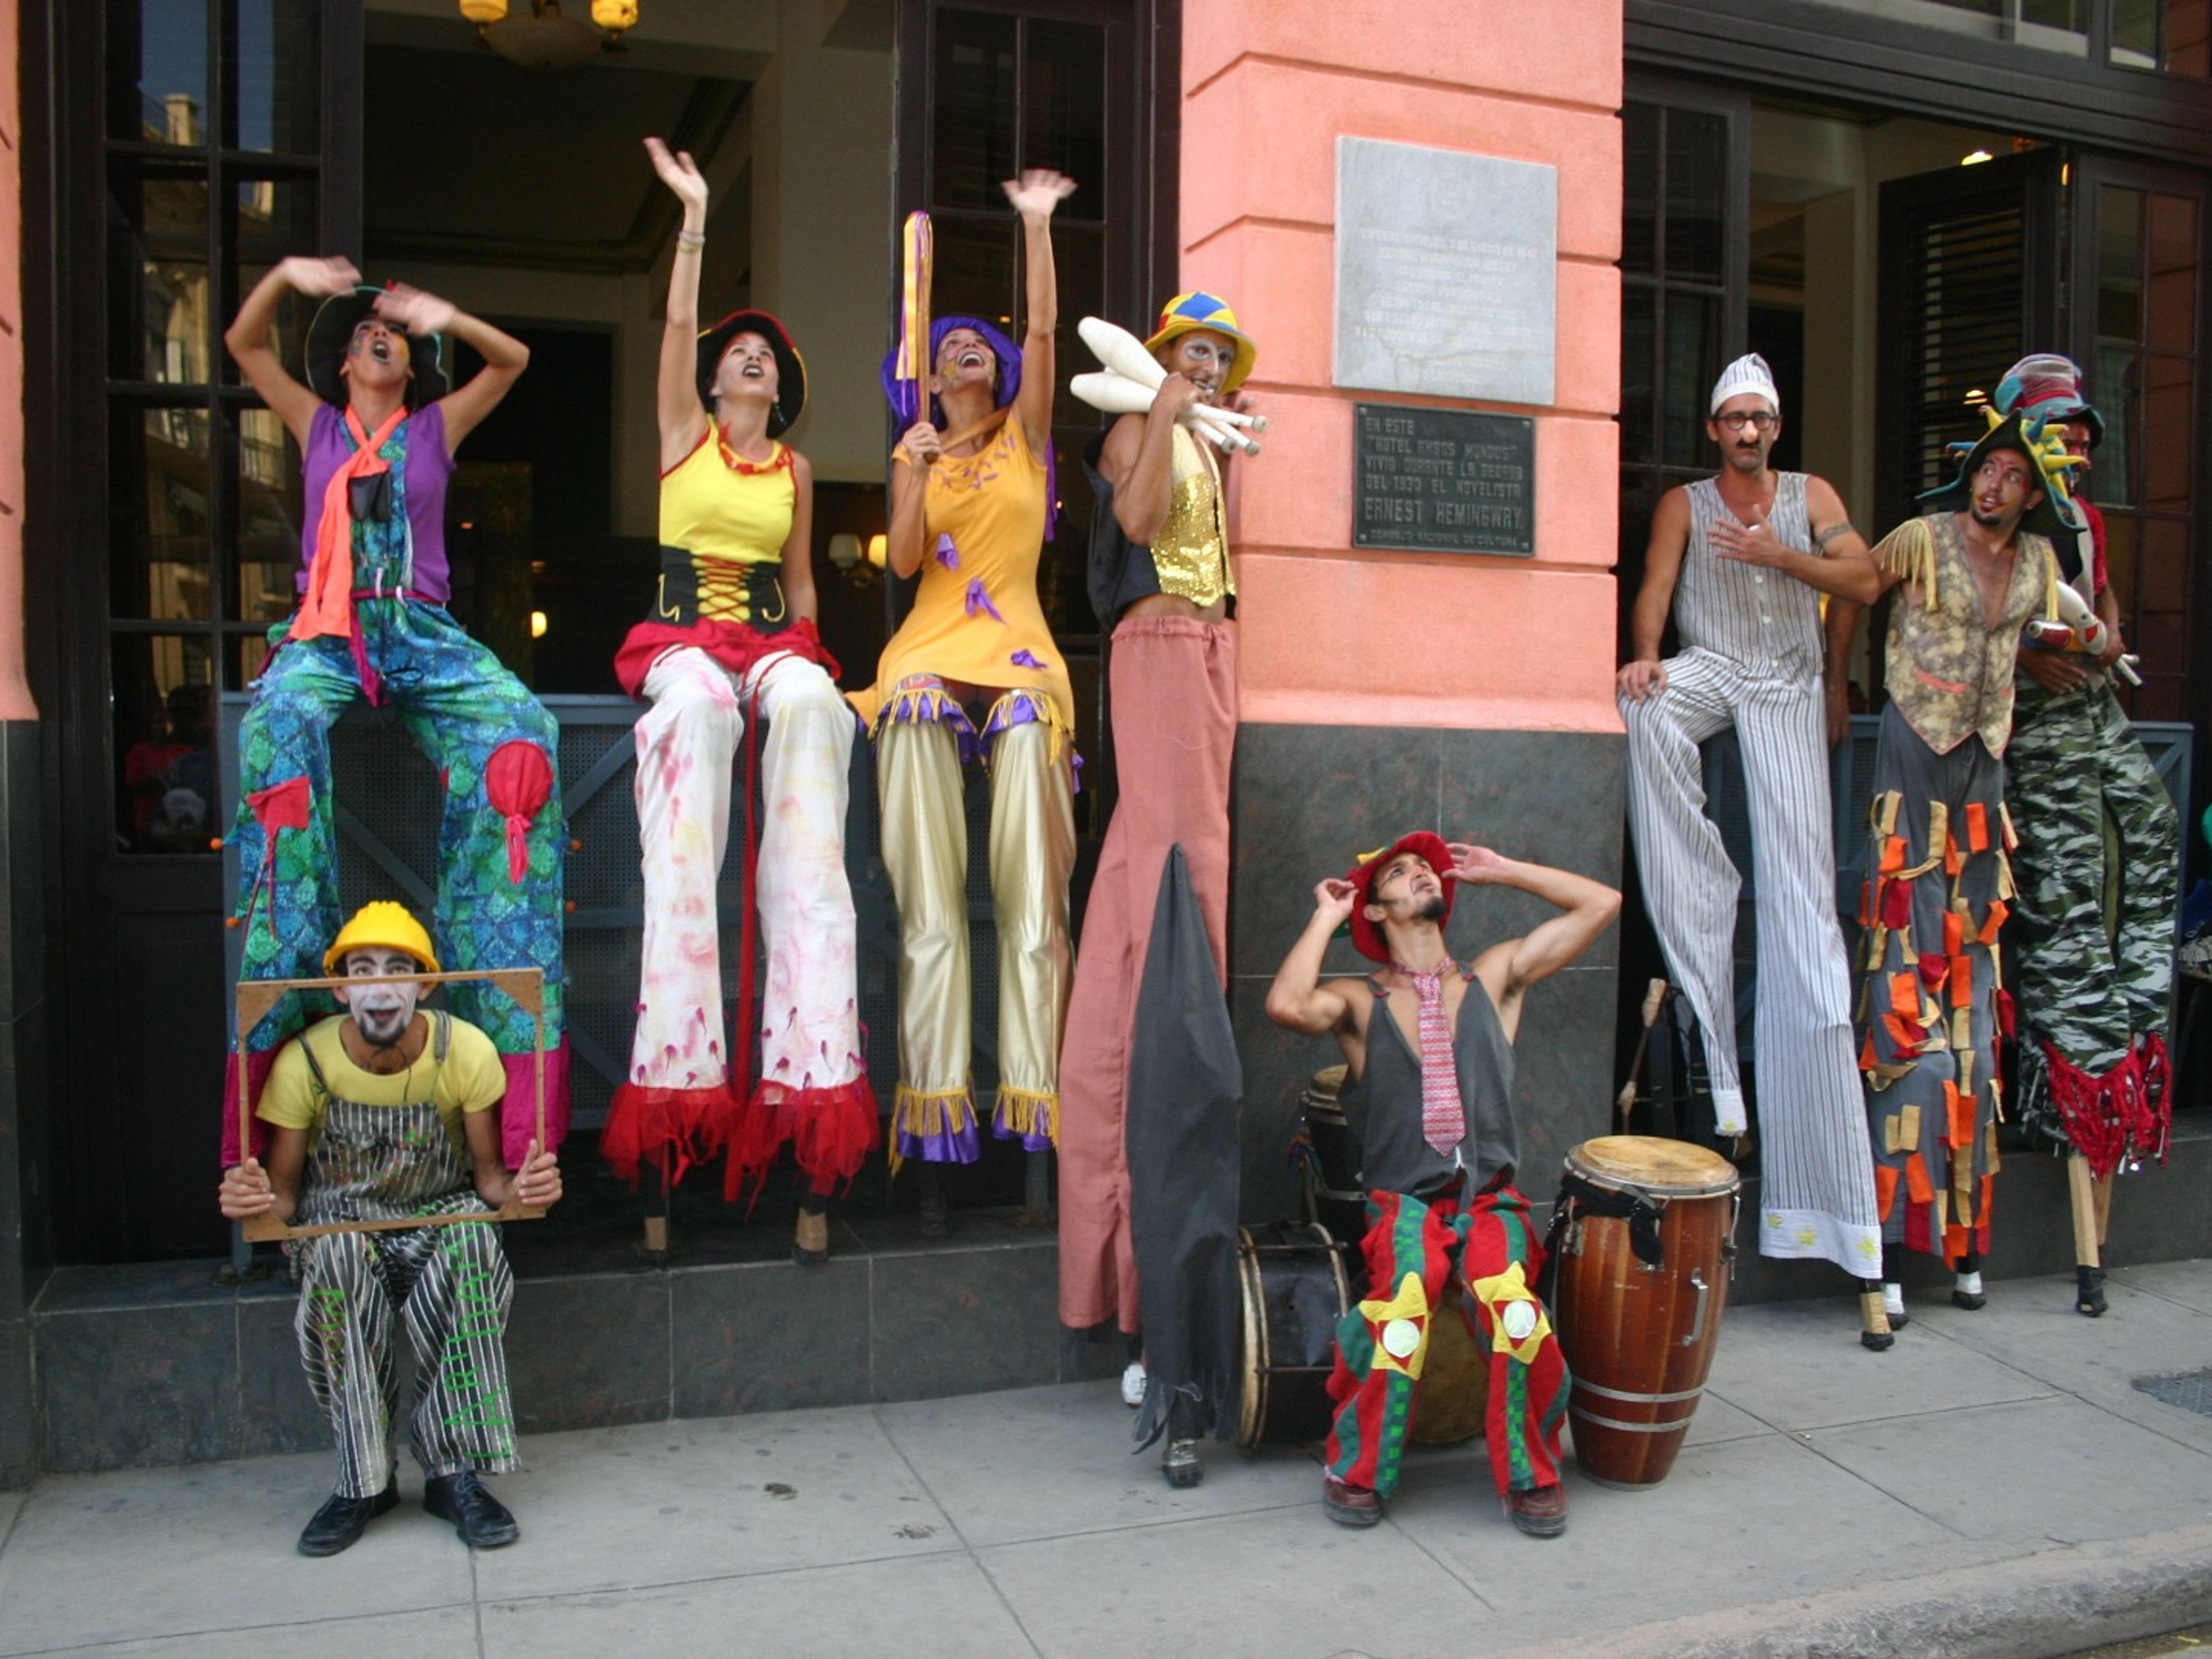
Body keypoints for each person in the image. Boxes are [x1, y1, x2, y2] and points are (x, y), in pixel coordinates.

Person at [220, 257, 567, 1172]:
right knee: (276, 730)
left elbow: (514, 360)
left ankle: (488, 989)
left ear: (411, 368)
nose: (382, 337)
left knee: (523, 732)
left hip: (419, 631)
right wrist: (288, 275)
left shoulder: (434, 430)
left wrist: (444, 312)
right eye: (367, 334)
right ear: (342, 365)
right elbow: (242, 343)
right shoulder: (318, 425)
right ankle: (295, 987)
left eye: (397, 337)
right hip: (327, 633)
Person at [600, 138, 875, 1262]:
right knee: (700, 719)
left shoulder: (797, 472)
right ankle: (670, 1125)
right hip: (681, 645)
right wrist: (699, 216)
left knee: (816, 713)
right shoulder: (682, 437)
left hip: (769, 638)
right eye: (740, 353)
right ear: (714, 381)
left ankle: (811, 1116)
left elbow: (802, 578)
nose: (752, 360)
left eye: (767, 355)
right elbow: (674, 330)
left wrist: (813, 661)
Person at [1616, 353, 1889, 1343]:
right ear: (1712, 429)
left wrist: (1784, 561)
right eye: (1730, 417)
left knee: (1807, 914)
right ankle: (1704, 903)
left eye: (1757, 419)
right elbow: (1655, 587)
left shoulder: (1809, 495)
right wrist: (1648, 654)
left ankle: (1829, 1203)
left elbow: (1865, 575)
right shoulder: (1686, 504)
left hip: (1781, 684)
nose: (1743, 431)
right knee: (1642, 711)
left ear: (1774, 428)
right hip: (1710, 668)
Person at [1265, 833, 1620, 1537]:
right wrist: (1326, 918)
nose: (1421, 873)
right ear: (1377, 911)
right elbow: (1285, 1004)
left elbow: (1601, 902)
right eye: (1399, 873)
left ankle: (1532, 1476)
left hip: (1492, 1202)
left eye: (1425, 866)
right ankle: (1357, 1471)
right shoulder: (1359, 1002)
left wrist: (1507, 872)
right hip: (1404, 1206)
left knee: (1516, 1314)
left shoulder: (1493, 978)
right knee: (1398, 1311)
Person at [1058, 293, 1257, 1486]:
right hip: (1162, 644)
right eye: (1191, 349)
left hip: (1211, 649)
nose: (1205, 365)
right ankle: (1154, 1299)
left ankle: (1146, 1278)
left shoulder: (1220, 444)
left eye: (1217, 355)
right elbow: (1133, 524)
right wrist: (1173, 413)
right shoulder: (1141, 428)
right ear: (1160, 356)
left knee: (1170, 894)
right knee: (1181, 901)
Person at [853, 169, 1080, 1177]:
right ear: (932, 377)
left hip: (1021, 651)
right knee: (932, 899)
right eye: (947, 348)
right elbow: (903, 565)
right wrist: (909, 466)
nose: (965, 350)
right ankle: (936, 1095)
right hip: (930, 652)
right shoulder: (923, 453)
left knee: (1031, 887)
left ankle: (1036, 1090)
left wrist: (1035, 224)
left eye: (975, 344)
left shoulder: (1026, 439)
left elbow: (1042, 331)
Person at [217, 903, 563, 1556]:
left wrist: (524, 1190)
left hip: (435, 1213)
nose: (381, 986)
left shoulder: (465, 1051)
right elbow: (287, 1192)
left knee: (474, 1238)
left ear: (425, 985)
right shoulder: (306, 1063)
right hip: (340, 1222)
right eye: (363, 971)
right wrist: (254, 1198)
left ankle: (453, 1472)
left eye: (398, 970)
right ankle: (363, 1480)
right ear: (340, 990)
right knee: (338, 1253)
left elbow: (488, 1180)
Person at [1831, 409, 2070, 1320]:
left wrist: (2066, 651)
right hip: (1913, 750)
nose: (1993, 483)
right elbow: (1853, 588)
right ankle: (1887, 1243)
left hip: (1984, 767)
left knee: (1972, 989)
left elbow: (2086, 627)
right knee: (1904, 964)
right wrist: (1835, 679)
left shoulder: (2041, 563)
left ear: (2031, 492)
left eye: (2012, 474)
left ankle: (1964, 1243)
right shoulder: (1922, 539)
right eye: (1986, 469)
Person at [1990, 355, 2180, 1317]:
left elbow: (2099, 609)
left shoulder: (2087, 523)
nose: (2075, 448)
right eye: (2058, 430)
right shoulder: (1996, 513)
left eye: (2084, 436)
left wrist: (2097, 637)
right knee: (2062, 901)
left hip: (2098, 717)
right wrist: (2033, 651)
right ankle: (2077, 1086)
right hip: (2035, 737)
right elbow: (1966, 620)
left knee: (2149, 841)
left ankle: (2129, 1061)